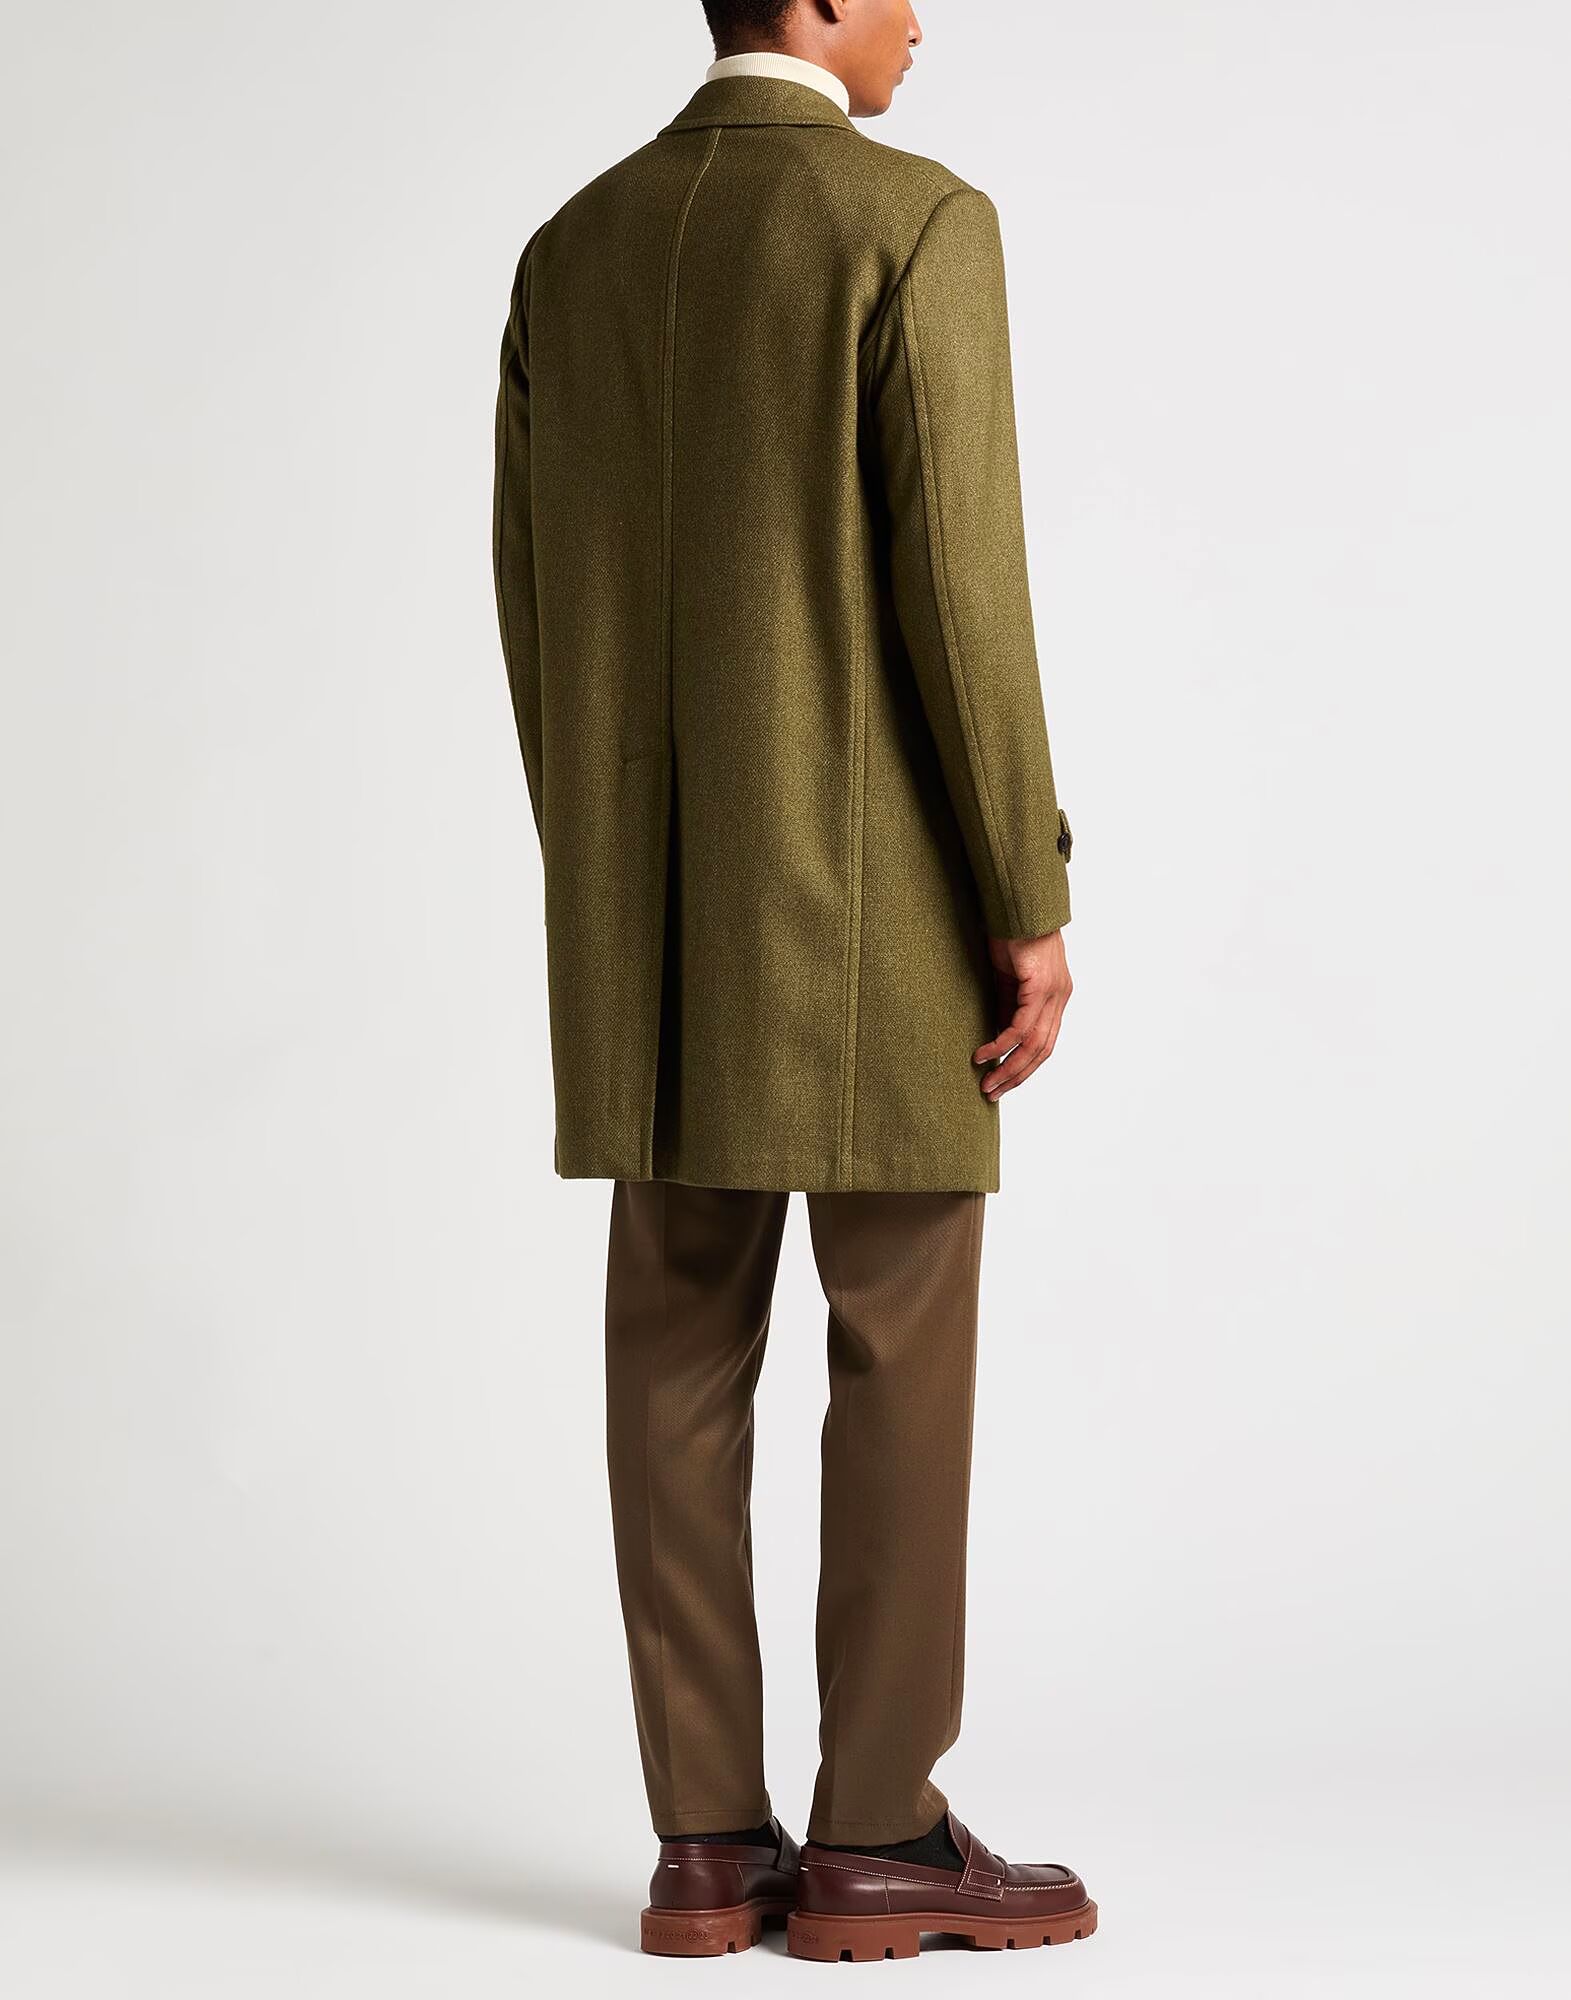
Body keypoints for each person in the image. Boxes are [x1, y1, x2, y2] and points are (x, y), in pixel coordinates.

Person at [492, 0, 1095, 1963]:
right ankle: (880, 1834)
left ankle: (704, 1843)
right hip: (877, 911)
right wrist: (1024, 891)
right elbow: (964, 591)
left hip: (646, 917)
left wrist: (608, 872)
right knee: (897, 1344)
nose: (924, 18)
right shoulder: (910, 223)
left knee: (672, 1351)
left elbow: (532, 609)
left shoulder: (572, 249)